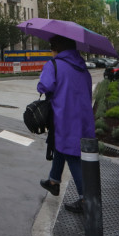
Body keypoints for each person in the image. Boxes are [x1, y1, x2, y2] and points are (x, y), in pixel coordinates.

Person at [37, 34, 95, 213]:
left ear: (56, 49)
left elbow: (44, 87)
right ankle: (53, 181)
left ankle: (86, 199)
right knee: (62, 147)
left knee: (72, 155)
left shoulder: (54, 64)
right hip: (84, 116)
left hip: (63, 116)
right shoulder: (82, 66)